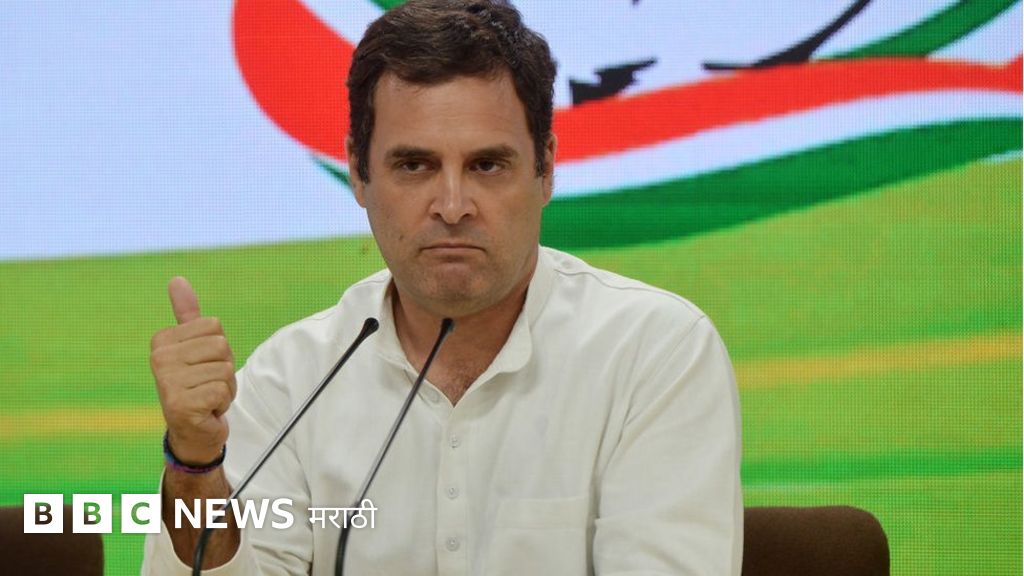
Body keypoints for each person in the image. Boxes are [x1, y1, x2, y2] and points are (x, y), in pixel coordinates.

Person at [142, 1, 742, 574]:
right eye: (415, 166)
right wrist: (196, 464)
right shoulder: (291, 381)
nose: (452, 207)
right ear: (358, 173)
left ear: (546, 169)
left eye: (486, 165)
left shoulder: (653, 353)